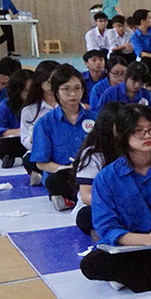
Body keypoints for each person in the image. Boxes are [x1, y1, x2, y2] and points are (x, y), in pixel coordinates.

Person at [80, 106, 151, 292]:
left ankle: (138, 278)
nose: (147, 135)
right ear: (122, 134)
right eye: (139, 131)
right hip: (135, 246)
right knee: (92, 264)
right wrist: (146, 240)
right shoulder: (106, 178)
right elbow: (107, 228)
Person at [29, 65, 95, 210]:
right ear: (56, 92)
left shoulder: (96, 118)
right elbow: (41, 163)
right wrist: (65, 168)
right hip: (65, 174)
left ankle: (74, 201)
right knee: (55, 180)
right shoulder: (45, 123)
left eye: (77, 88)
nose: (73, 94)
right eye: (66, 89)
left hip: (91, 174)